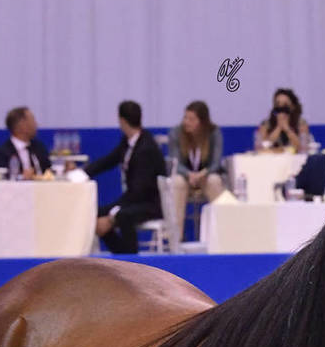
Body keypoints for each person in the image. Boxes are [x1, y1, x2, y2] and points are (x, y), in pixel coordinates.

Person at [84, 99, 166, 254]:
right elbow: (109, 160)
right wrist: (83, 173)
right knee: (96, 213)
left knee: (123, 215)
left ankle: (131, 257)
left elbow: (140, 191)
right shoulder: (128, 142)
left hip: (150, 203)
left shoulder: (146, 148)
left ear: (122, 120)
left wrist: (112, 215)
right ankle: (122, 254)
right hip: (134, 199)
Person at [167, 99, 226, 203]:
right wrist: (189, 174)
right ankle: (175, 220)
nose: (186, 122)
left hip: (205, 176)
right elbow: (175, 163)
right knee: (177, 182)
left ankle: (220, 218)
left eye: (191, 119)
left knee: (214, 180)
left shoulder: (214, 133)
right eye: (185, 118)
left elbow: (216, 163)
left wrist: (203, 174)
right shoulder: (176, 133)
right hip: (185, 177)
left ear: (202, 122)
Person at [0, 105, 51, 178]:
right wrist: (21, 177)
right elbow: (1, 177)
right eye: (33, 120)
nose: (36, 124)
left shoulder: (39, 147)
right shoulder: (1, 152)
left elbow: (49, 171)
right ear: (21, 125)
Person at [255, 86, 305, 153]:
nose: (281, 107)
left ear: (292, 106)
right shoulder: (266, 124)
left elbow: (302, 147)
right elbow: (263, 147)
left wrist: (287, 128)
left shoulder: (301, 123)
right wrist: (279, 127)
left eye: (285, 104)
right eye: (278, 103)